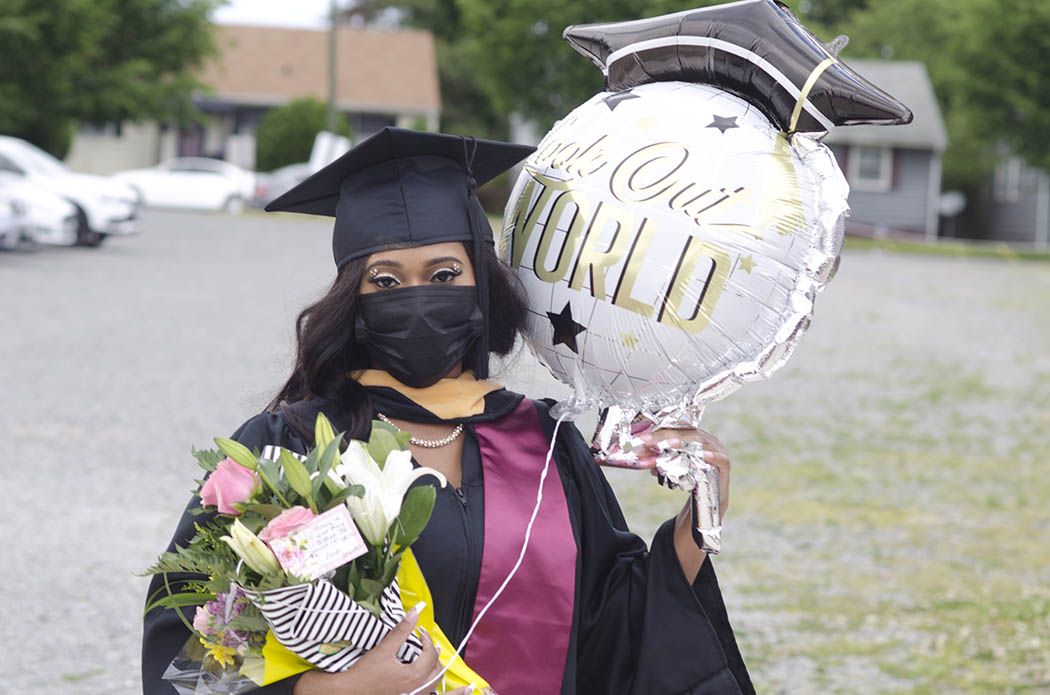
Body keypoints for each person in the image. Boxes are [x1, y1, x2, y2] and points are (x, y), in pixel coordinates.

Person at [142, 128, 754, 695]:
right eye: (385, 281)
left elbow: (613, 627)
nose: (417, 298)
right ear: (351, 299)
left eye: (443, 273)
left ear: (481, 285)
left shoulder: (544, 445)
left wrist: (696, 524)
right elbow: (194, 654)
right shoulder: (291, 447)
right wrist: (336, 690)